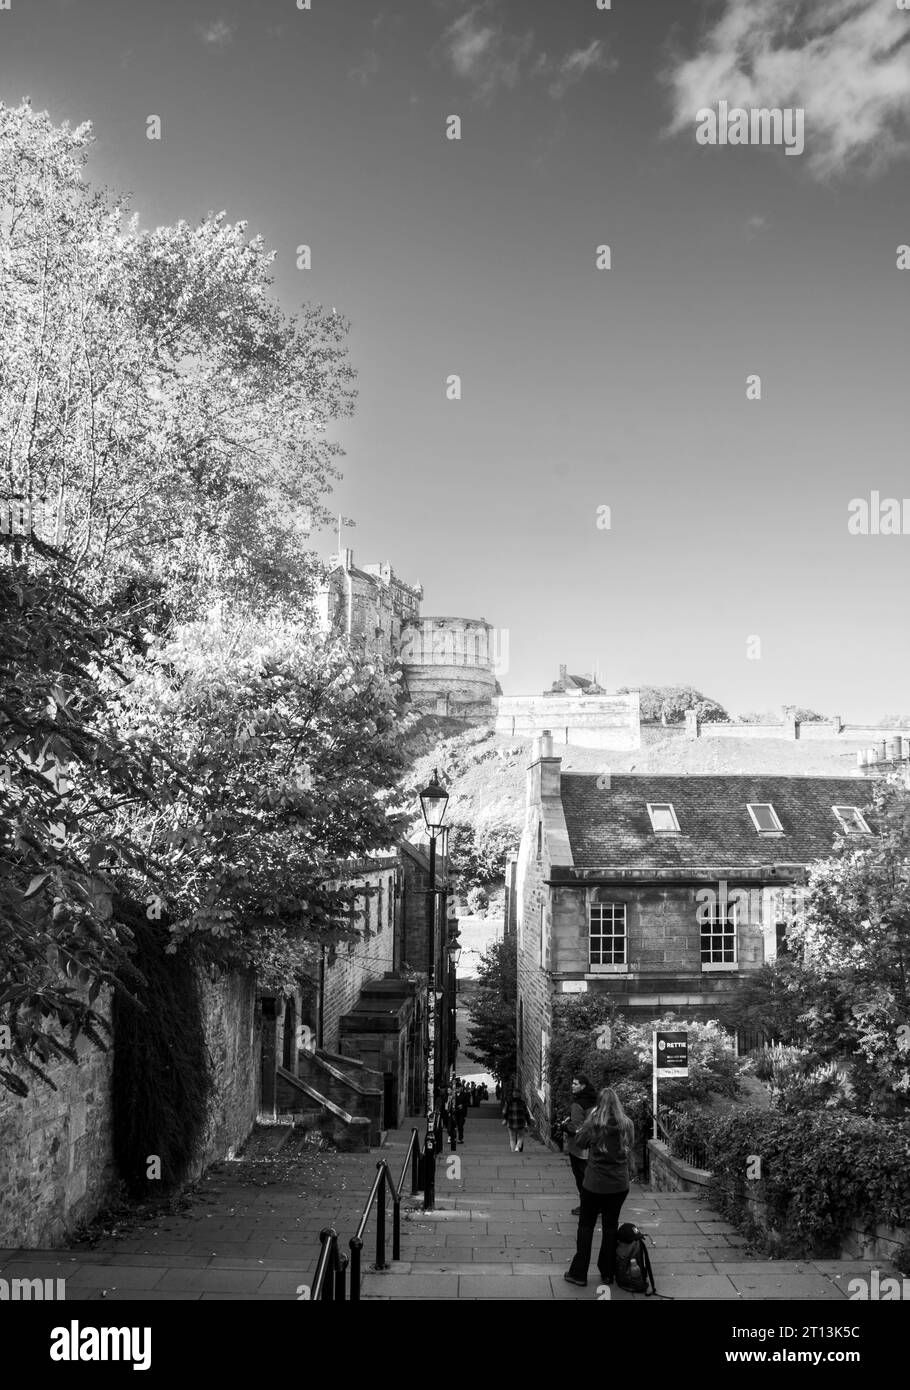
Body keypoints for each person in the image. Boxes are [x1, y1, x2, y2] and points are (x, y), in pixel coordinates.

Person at [564, 1087, 633, 1288]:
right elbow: (630, 1146)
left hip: (594, 1184)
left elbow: (580, 1142)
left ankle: (579, 1273)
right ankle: (607, 1273)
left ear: (599, 1104)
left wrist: (588, 1122)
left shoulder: (594, 1124)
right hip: (619, 1184)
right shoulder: (627, 1124)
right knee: (611, 1228)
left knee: (586, 1227)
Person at [563, 1075, 598, 1216]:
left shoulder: (577, 1104)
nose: (572, 1086)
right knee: (592, 1176)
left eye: (575, 1084)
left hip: (579, 1147)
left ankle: (586, 1206)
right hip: (594, 1143)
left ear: (583, 1086)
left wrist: (565, 1126)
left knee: (581, 1178)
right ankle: (597, 1204)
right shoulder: (596, 1101)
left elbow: (576, 1127)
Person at [503, 1087, 531, 1152]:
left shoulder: (508, 1102)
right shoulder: (522, 1103)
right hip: (521, 1123)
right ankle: (517, 1148)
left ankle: (513, 1151)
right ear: (519, 1094)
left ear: (513, 1094)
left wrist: (505, 1119)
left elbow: (504, 1112)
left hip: (511, 1122)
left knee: (512, 1138)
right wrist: (528, 1122)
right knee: (520, 1137)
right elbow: (526, 1113)